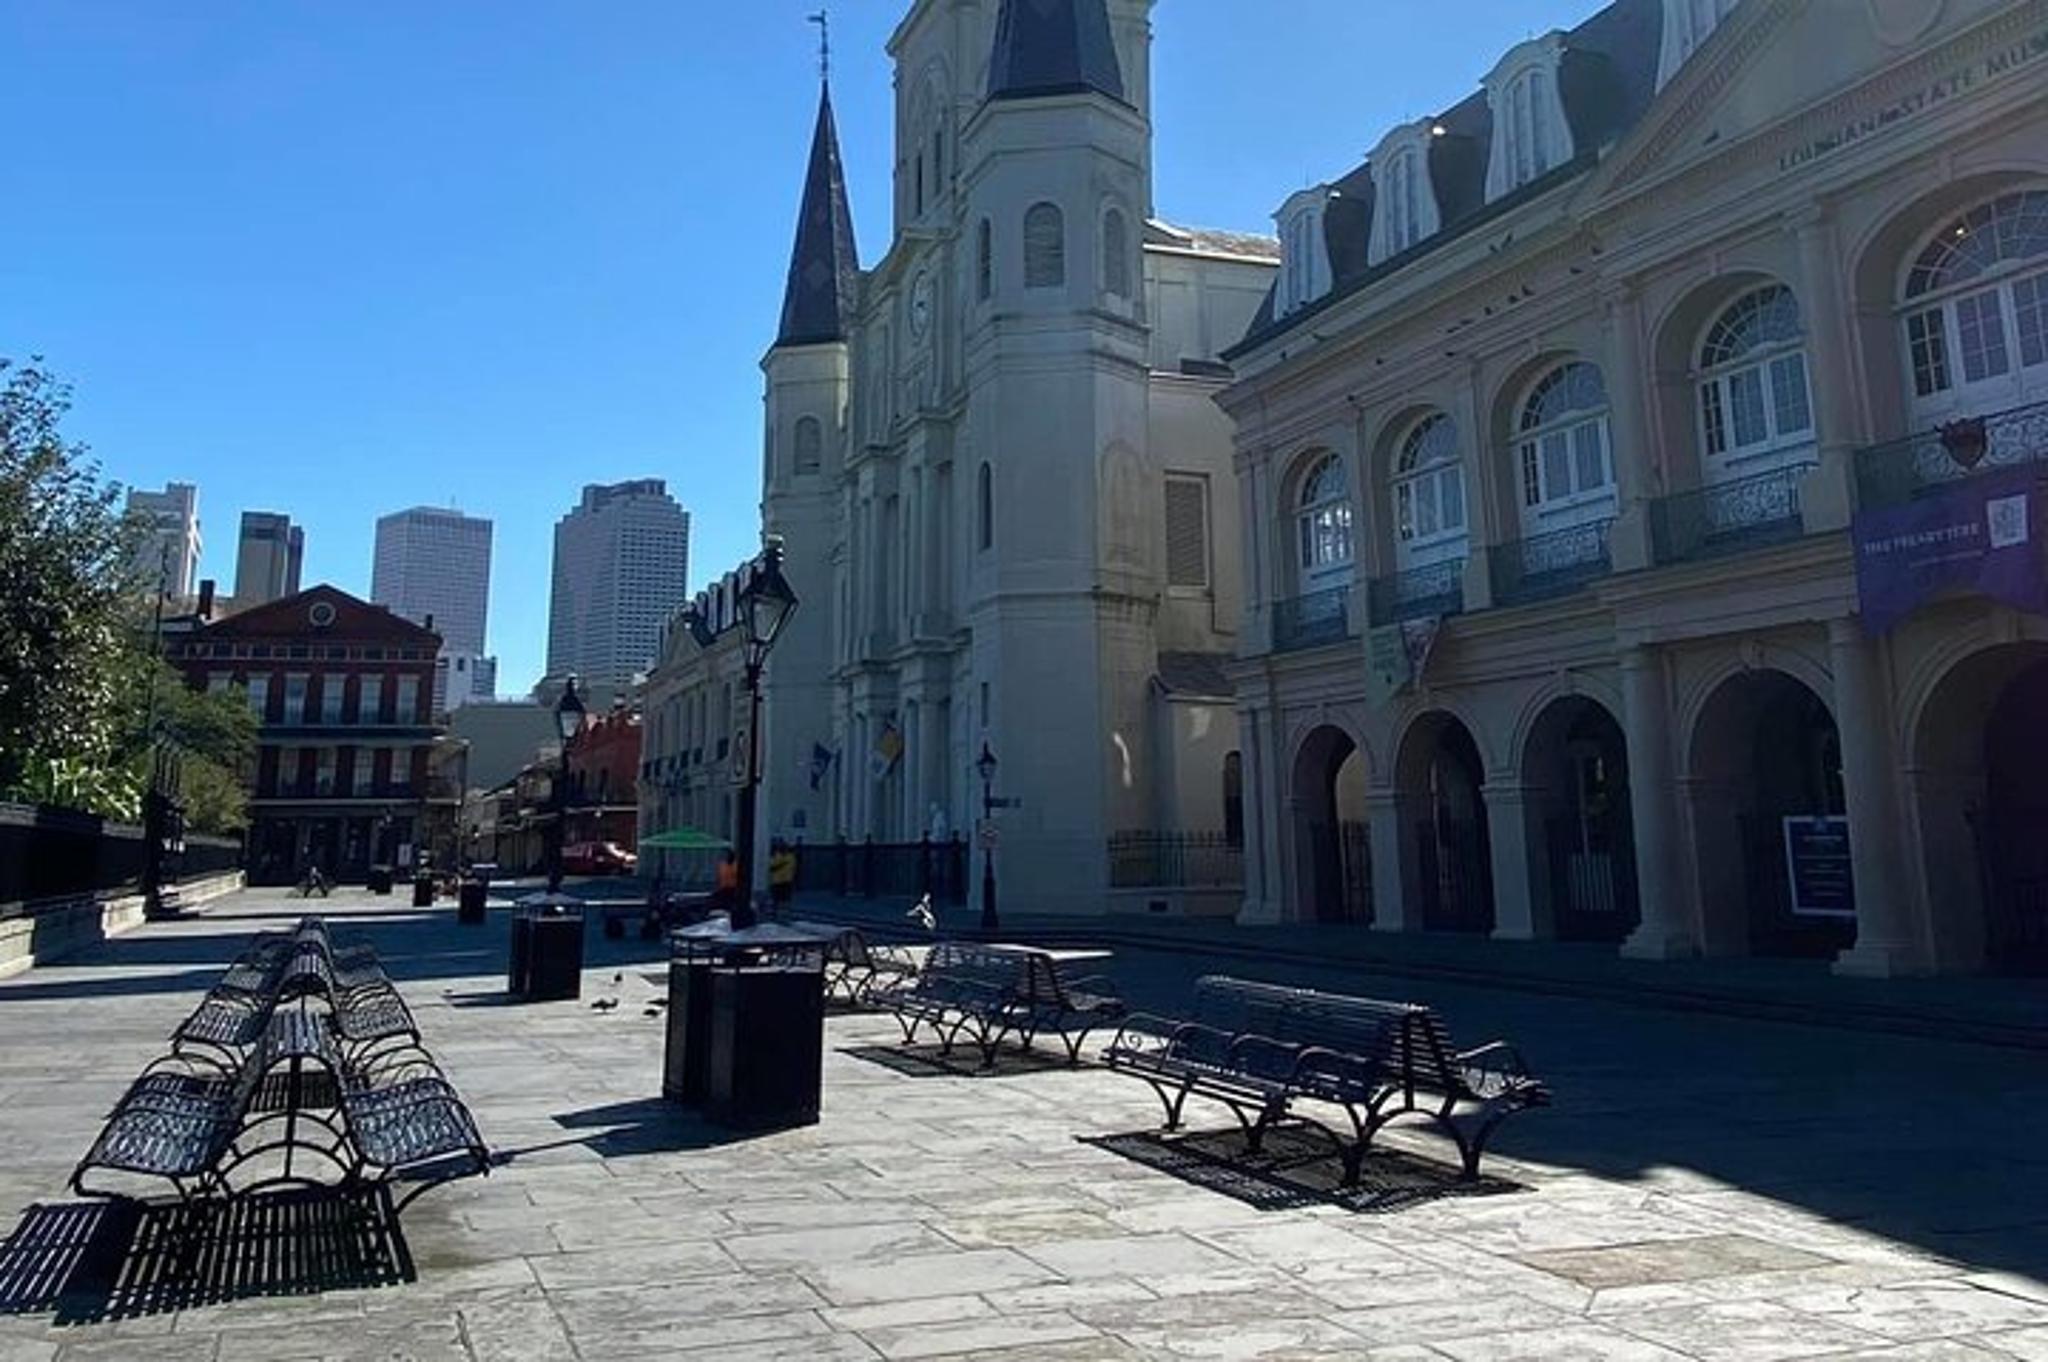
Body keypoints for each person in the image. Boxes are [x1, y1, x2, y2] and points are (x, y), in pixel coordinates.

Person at [768, 840, 797, 914]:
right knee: (776, 897)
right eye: (781, 848)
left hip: (786, 880)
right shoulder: (777, 856)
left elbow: (792, 867)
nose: (783, 849)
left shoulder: (790, 857)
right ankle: (776, 910)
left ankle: (785, 910)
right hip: (777, 880)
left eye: (784, 848)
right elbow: (772, 867)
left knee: (785, 897)